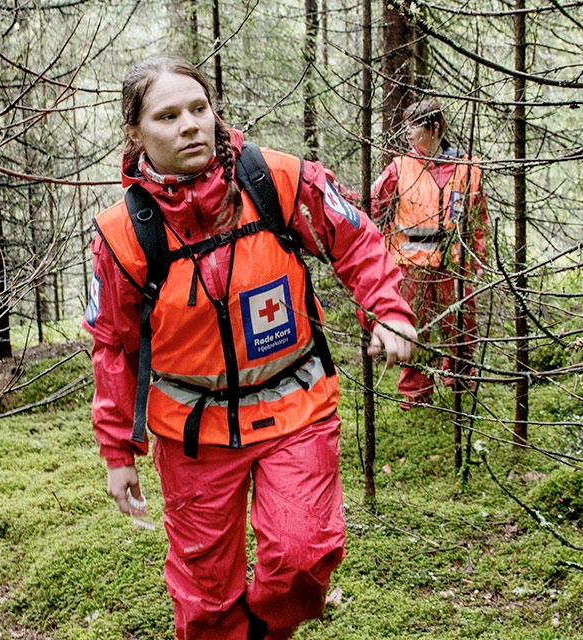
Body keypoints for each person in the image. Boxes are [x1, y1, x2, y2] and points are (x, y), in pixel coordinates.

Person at [84, 56, 417, 640]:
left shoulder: (275, 180)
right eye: (168, 115)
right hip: (192, 433)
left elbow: (355, 237)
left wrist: (387, 309)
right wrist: (118, 452)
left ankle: (264, 630)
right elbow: (112, 346)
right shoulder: (122, 234)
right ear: (135, 133)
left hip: (297, 409)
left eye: (198, 109)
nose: (190, 125)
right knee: (206, 595)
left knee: (303, 555)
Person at [370, 98, 489, 407]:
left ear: (435, 128)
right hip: (411, 261)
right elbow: (375, 205)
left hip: (454, 263)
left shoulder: (467, 169)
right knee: (414, 327)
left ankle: (459, 377)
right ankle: (416, 390)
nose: (408, 134)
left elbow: (479, 218)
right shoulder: (399, 166)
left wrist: (479, 255)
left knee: (461, 325)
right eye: (406, 127)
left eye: (414, 128)